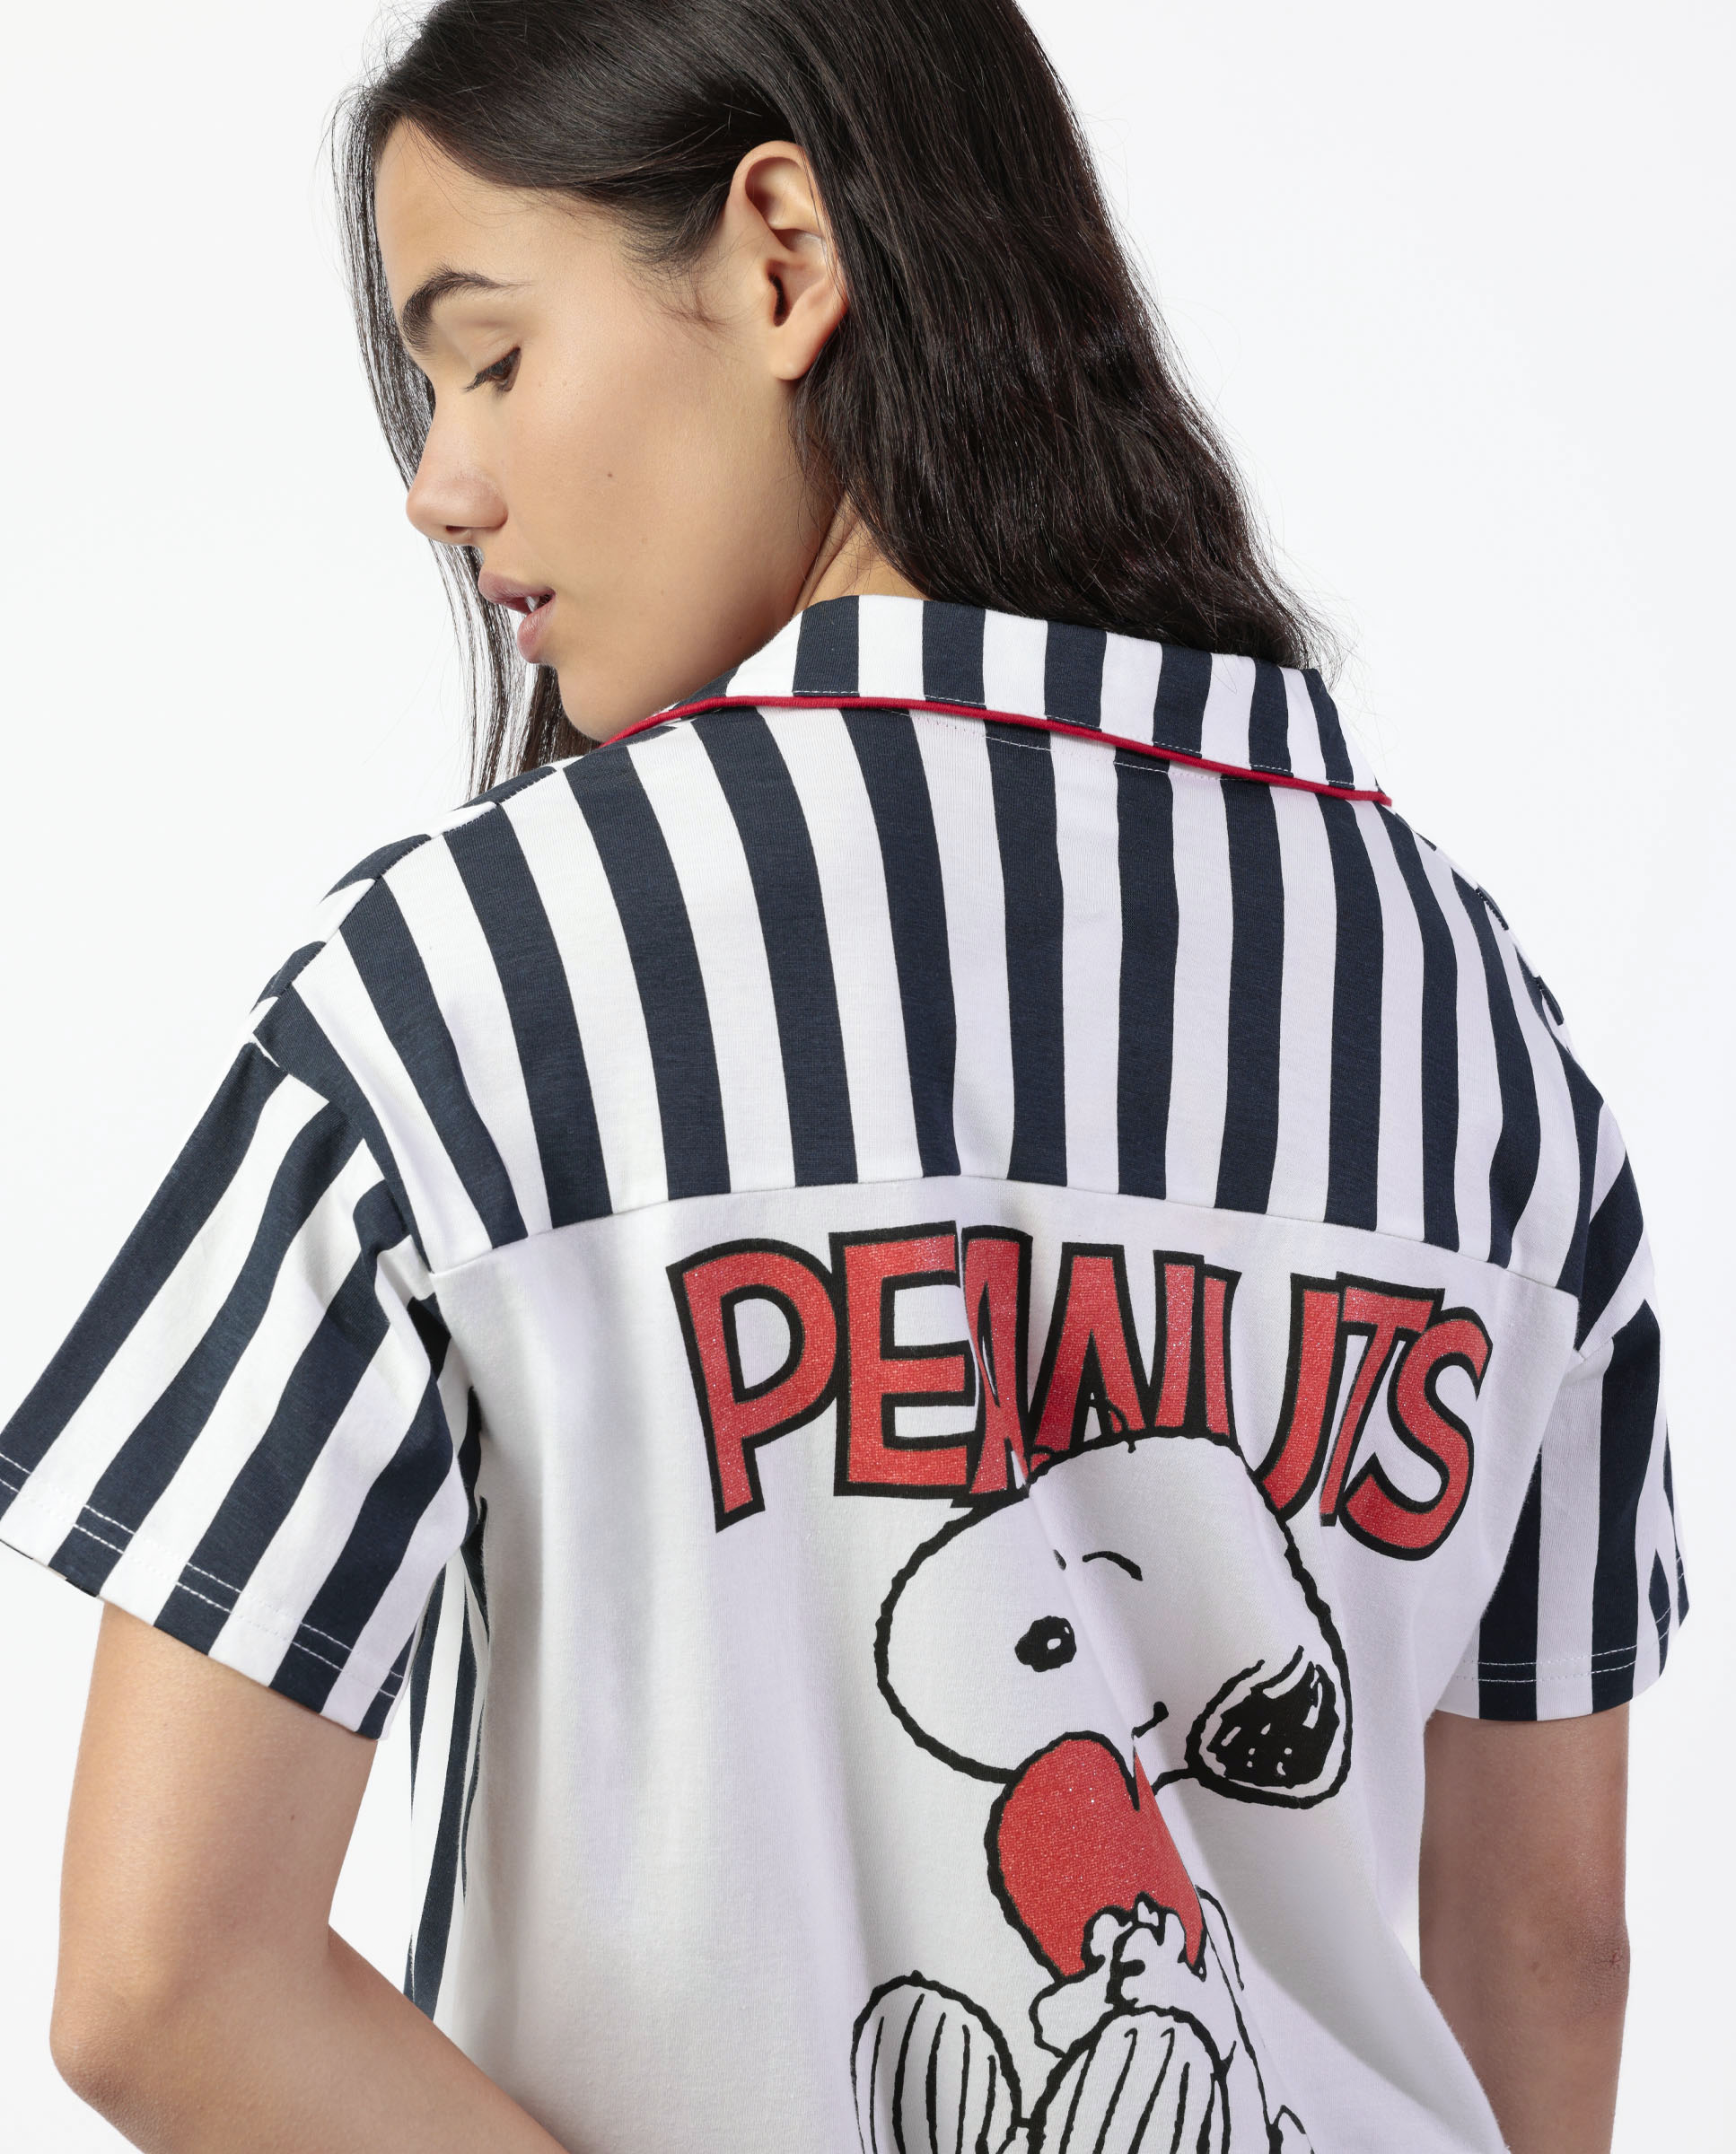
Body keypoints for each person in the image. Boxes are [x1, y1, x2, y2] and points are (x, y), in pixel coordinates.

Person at [1, 2, 1680, 2150]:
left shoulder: (475, 978)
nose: (439, 485)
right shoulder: (1479, 1032)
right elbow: (1547, 1946)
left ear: (783, 257)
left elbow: (165, 1984)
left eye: (488, 356)